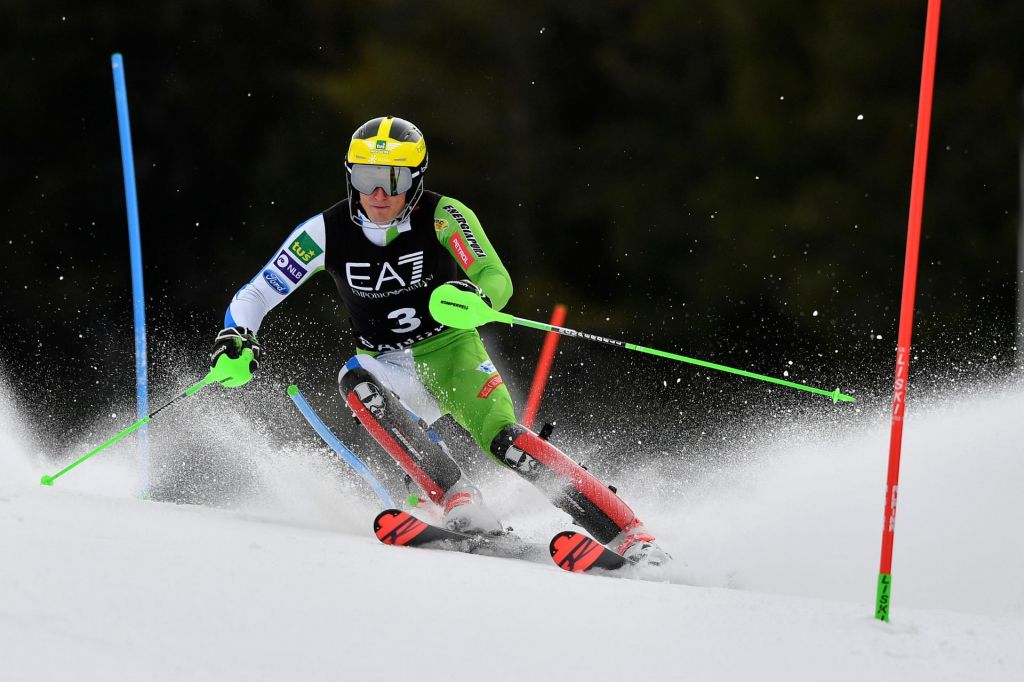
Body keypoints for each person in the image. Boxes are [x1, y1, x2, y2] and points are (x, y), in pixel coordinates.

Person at [209, 115, 670, 568]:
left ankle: (632, 535)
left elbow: (495, 276)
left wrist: (480, 296)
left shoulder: (443, 214)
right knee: (356, 381)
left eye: (395, 180)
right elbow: (258, 291)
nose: (379, 194)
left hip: (452, 352)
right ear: (351, 175)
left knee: (509, 442)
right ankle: (459, 500)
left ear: (416, 179)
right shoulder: (325, 232)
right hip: (386, 362)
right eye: (368, 177)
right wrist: (236, 335)